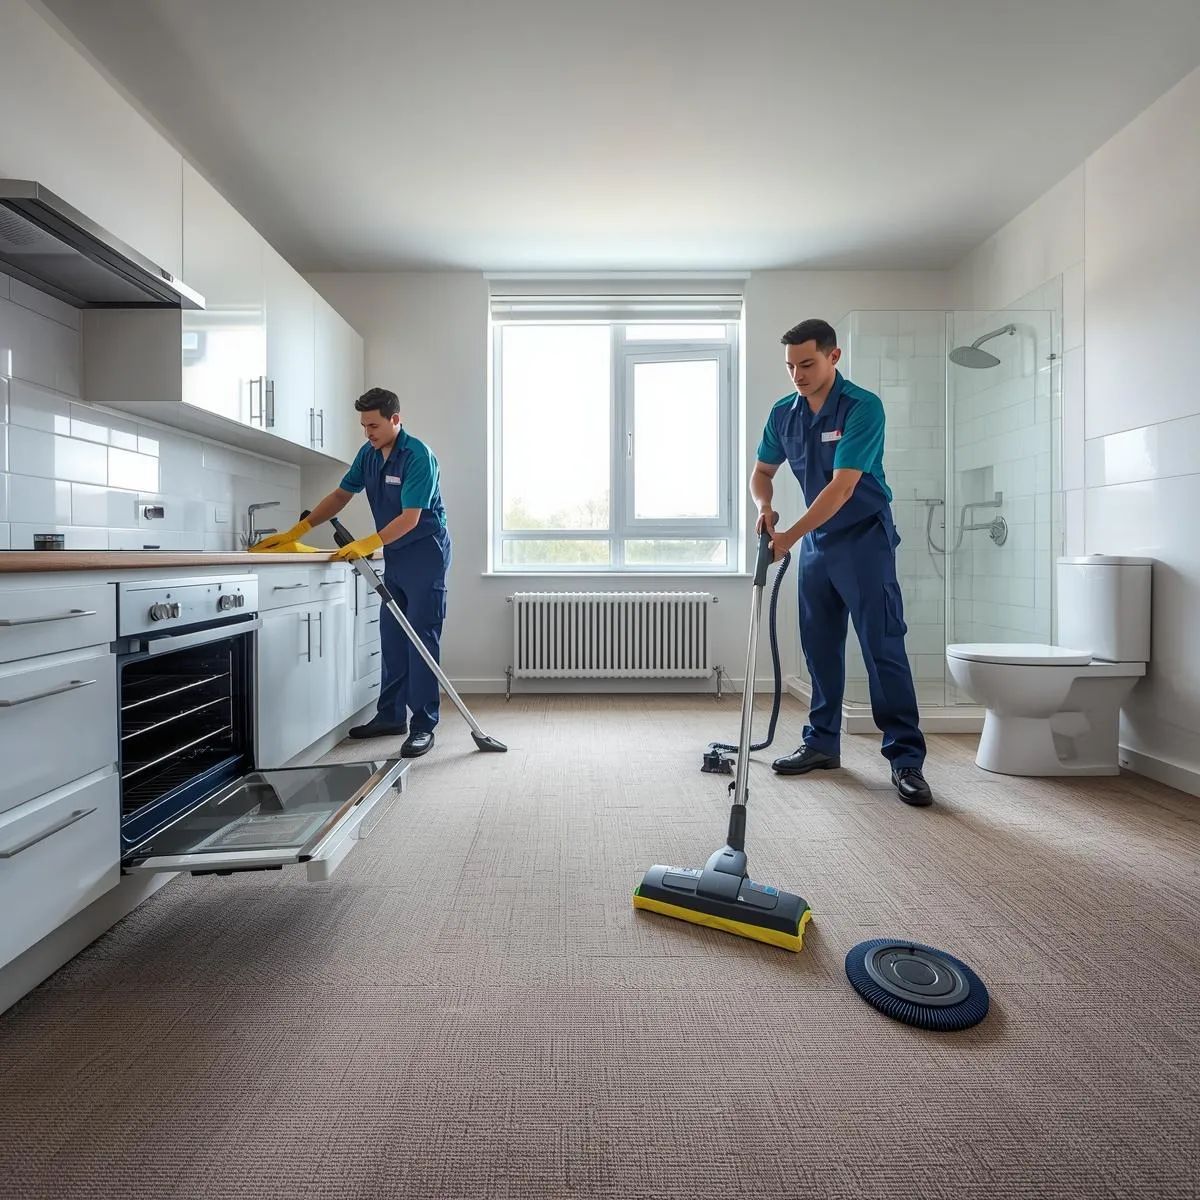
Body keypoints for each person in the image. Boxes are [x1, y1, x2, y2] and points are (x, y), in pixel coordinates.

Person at [751, 319, 932, 806]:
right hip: (816, 543)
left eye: (807, 364)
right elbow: (762, 473)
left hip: (863, 538)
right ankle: (821, 744)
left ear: (833, 357)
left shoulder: (862, 407)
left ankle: (905, 759)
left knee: (882, 646)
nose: (798, 375)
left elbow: (843, 486)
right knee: (819, 646)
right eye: (790, 367)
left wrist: (789, 535)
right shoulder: (784, 413)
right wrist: (765, 509)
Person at [254, 387, 451, 758]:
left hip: (426, 554)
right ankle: (391, 716)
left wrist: (367, 542)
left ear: (395, 419)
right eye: (363, 425)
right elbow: (341, 495)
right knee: (392, 636)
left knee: (420, 638)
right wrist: (300, 529)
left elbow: (410, 518)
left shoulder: (418, 456)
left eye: (374, 425)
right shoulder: (369, 455)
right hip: (395, 554)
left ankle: (424, 726)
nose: (368, 432)